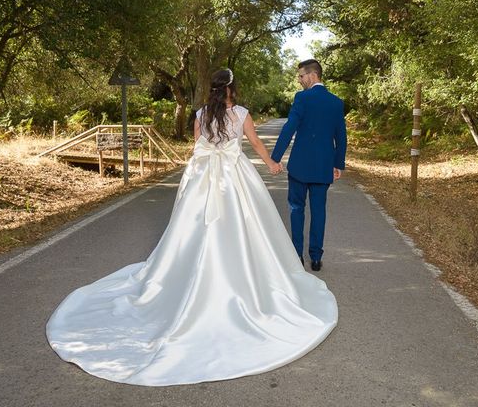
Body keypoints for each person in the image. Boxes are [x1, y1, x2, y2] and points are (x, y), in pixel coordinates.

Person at [46, 68, 338, 386]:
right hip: (234, 180)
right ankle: (243, 281)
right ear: (231, 89)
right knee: (244, 230)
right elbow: (254, 142)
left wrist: (193, 179)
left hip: (205, 180)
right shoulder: (241, 113)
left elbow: (197, 150)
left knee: (195, 231)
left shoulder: (200, 113)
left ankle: (192, 279)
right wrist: (271, 164)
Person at [271, 59, 347, 272]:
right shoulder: (336, 102)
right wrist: (338, 163)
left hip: (300, 166)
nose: (300, 80)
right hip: (324, 166)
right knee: (319, 211)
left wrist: (275, 157)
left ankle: (297, 256)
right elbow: (341, 136)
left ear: (312, 76)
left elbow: (289, 128)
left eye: (301, 76)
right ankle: (316, 258)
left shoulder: (302, 98)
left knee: (296, 209)